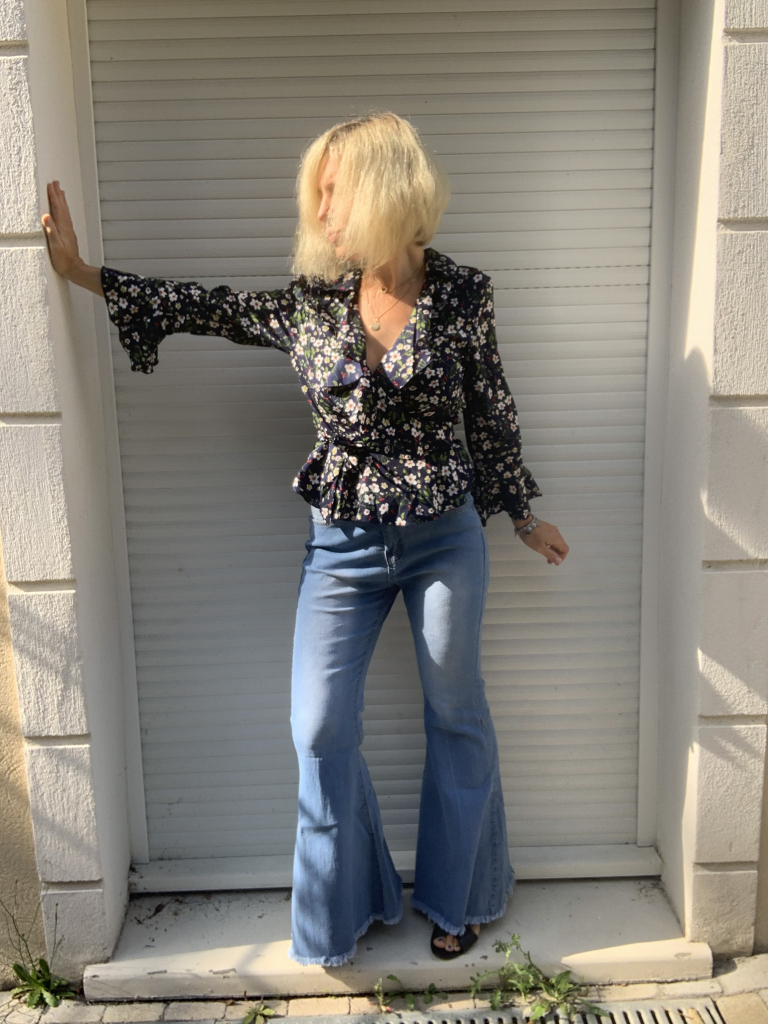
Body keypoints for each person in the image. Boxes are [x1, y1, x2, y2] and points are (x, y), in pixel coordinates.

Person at [42, 112, 569, 965]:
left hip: (444, 537)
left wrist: (520, 514)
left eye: (334, 192)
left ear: (384, 190)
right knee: (318, 726)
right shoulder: (311, 305)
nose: (320, 212)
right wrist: (81, 273)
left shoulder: (463, 295)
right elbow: (206, 307)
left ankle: (461, 894)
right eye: (316, 196)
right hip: (342, 548)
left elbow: (491, 410)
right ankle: (342, 907)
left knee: (456, 711)